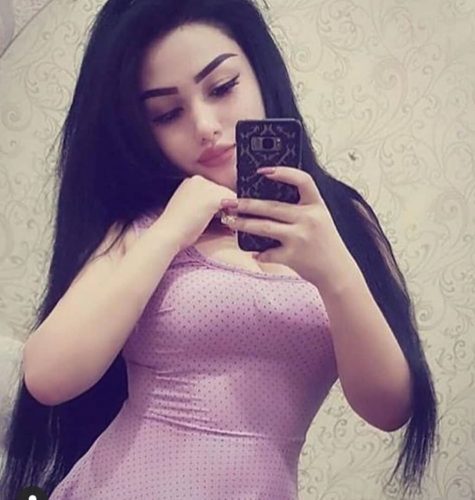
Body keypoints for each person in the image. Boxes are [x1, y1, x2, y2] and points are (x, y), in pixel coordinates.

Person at [0, 0, 438, 498]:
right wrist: (170, 232)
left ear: (260, 72)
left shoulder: (344, 223)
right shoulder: (144, 227)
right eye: (167, 113)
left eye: (223, 87)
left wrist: (334, 271)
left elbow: (389, 409)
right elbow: (47, 377)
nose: (204, 124)